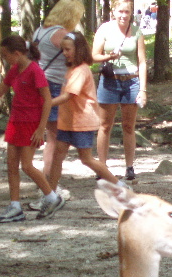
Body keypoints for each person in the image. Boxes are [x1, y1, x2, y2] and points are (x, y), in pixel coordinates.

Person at [0, 35, 64, 223]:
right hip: (15, 121)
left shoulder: (34, 70)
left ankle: (51, 196)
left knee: (27, 166)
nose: (4, 58)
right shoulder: (15, 69)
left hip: (31, 123)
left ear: (16, 53)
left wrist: (41, 128)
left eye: (5, 55)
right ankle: (15, 206)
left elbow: (47, 100)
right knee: (11, 166)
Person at [47, 32, 126, 200]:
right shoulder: (71, 69)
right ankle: (50, 195)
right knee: (57, 157)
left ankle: (119, 186)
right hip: (67, 121)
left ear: (79, 49)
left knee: (87, 159)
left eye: (68, 49)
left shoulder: (81, 71)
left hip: (82, 121)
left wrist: (45, 104)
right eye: (63, 50)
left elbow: (69, 95)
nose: (65, 53)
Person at [30, 0, 85, 210]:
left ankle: (47, 184)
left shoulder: (39, 31)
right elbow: (80, 58)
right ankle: (49, 186)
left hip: (40, 84)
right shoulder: (61, 34)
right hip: (54, 86)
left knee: (48, 137)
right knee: (54, 139)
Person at [92, 0, 147, 181]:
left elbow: (142, 62)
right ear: (114, 12)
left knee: (128, 126)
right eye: (121, 11)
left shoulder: (136, 31)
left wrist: (143, 89)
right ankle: (102, 166)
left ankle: (129, 166)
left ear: (131, 13)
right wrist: (109, 56)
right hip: (109, 81)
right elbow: (94, 56)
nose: (124, 15)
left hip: (131, 82)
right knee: (105, 125)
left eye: (127, 12)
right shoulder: (105, 29)